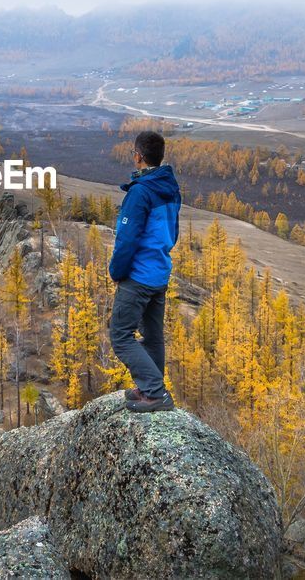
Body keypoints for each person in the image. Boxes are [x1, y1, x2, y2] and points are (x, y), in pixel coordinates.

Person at [108, 130, 181, 412]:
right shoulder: (170, 186)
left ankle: (155, 392)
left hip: (138, 276)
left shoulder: (140, 192)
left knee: (121, 335)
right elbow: (172, 231)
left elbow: (127, 238)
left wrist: (117, 271)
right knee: (152, 336)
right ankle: (151, 388)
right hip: (160, 272)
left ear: (138, 156)